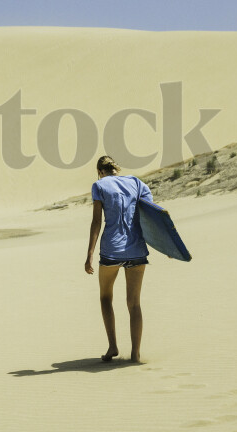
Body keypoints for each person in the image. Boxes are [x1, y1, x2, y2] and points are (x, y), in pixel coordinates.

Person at [85, 155, 153, 363]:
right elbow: (153, 216)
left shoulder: (99, 185)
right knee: (134, 304)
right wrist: (168, 246)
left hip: (111, 251)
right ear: (116, 168)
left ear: (100, 171)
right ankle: (135, 354)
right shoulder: (136, 182)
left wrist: (89, 255)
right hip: (136, 251)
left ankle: (113, 347)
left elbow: (97, 221)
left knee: (106, 297)